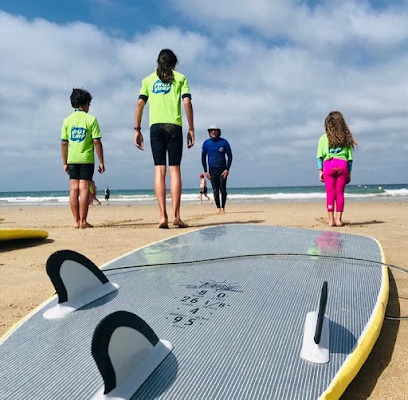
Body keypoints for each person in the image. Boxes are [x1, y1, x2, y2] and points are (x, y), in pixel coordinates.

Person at [134, 48, 195, 228]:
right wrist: (191, 128)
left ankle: (163, 216)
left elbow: (140, 103)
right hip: (174, 126)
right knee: (174, 170)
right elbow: (187, 102)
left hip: (156, 127)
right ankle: (176, 216)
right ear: (174, 63)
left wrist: (137, 129)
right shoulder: (180, 78)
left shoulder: (148, 80)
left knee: (159, 170)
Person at [61, 88, 105, 228]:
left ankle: (76, 221)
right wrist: (102, 162)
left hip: (72, 158)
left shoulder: (67, 121)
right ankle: (83, 221)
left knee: (74, 189)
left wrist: (65, 162)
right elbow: (96, 141)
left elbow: (64, 143)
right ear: (85, 103)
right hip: (86, 159)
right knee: (84, 188)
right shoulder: (91, 120)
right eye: (89, 104)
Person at [316, 111, 357, 227]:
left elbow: (319, 156)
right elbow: (350, 158)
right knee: (340, 193)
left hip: (329, 165)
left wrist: (320, 171)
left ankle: (331, 220)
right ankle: (338, 220)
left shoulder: (323, 138)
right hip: (342, 165)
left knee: (330, 193)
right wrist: (349, 172)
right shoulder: (346, 138)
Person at [201, 125, 233, 214]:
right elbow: (203, 157)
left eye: (215, 131)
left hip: (222, 169)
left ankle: (223, 207)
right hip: (212, 170)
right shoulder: (206, 143)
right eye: (211, 131)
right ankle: (218, 207)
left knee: (222, 189)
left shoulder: (224, 142)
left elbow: (230, 156)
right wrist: (206, 170)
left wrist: (227, 169)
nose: (213, 132)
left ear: (218, 132)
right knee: (215, 189)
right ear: (209, 133)